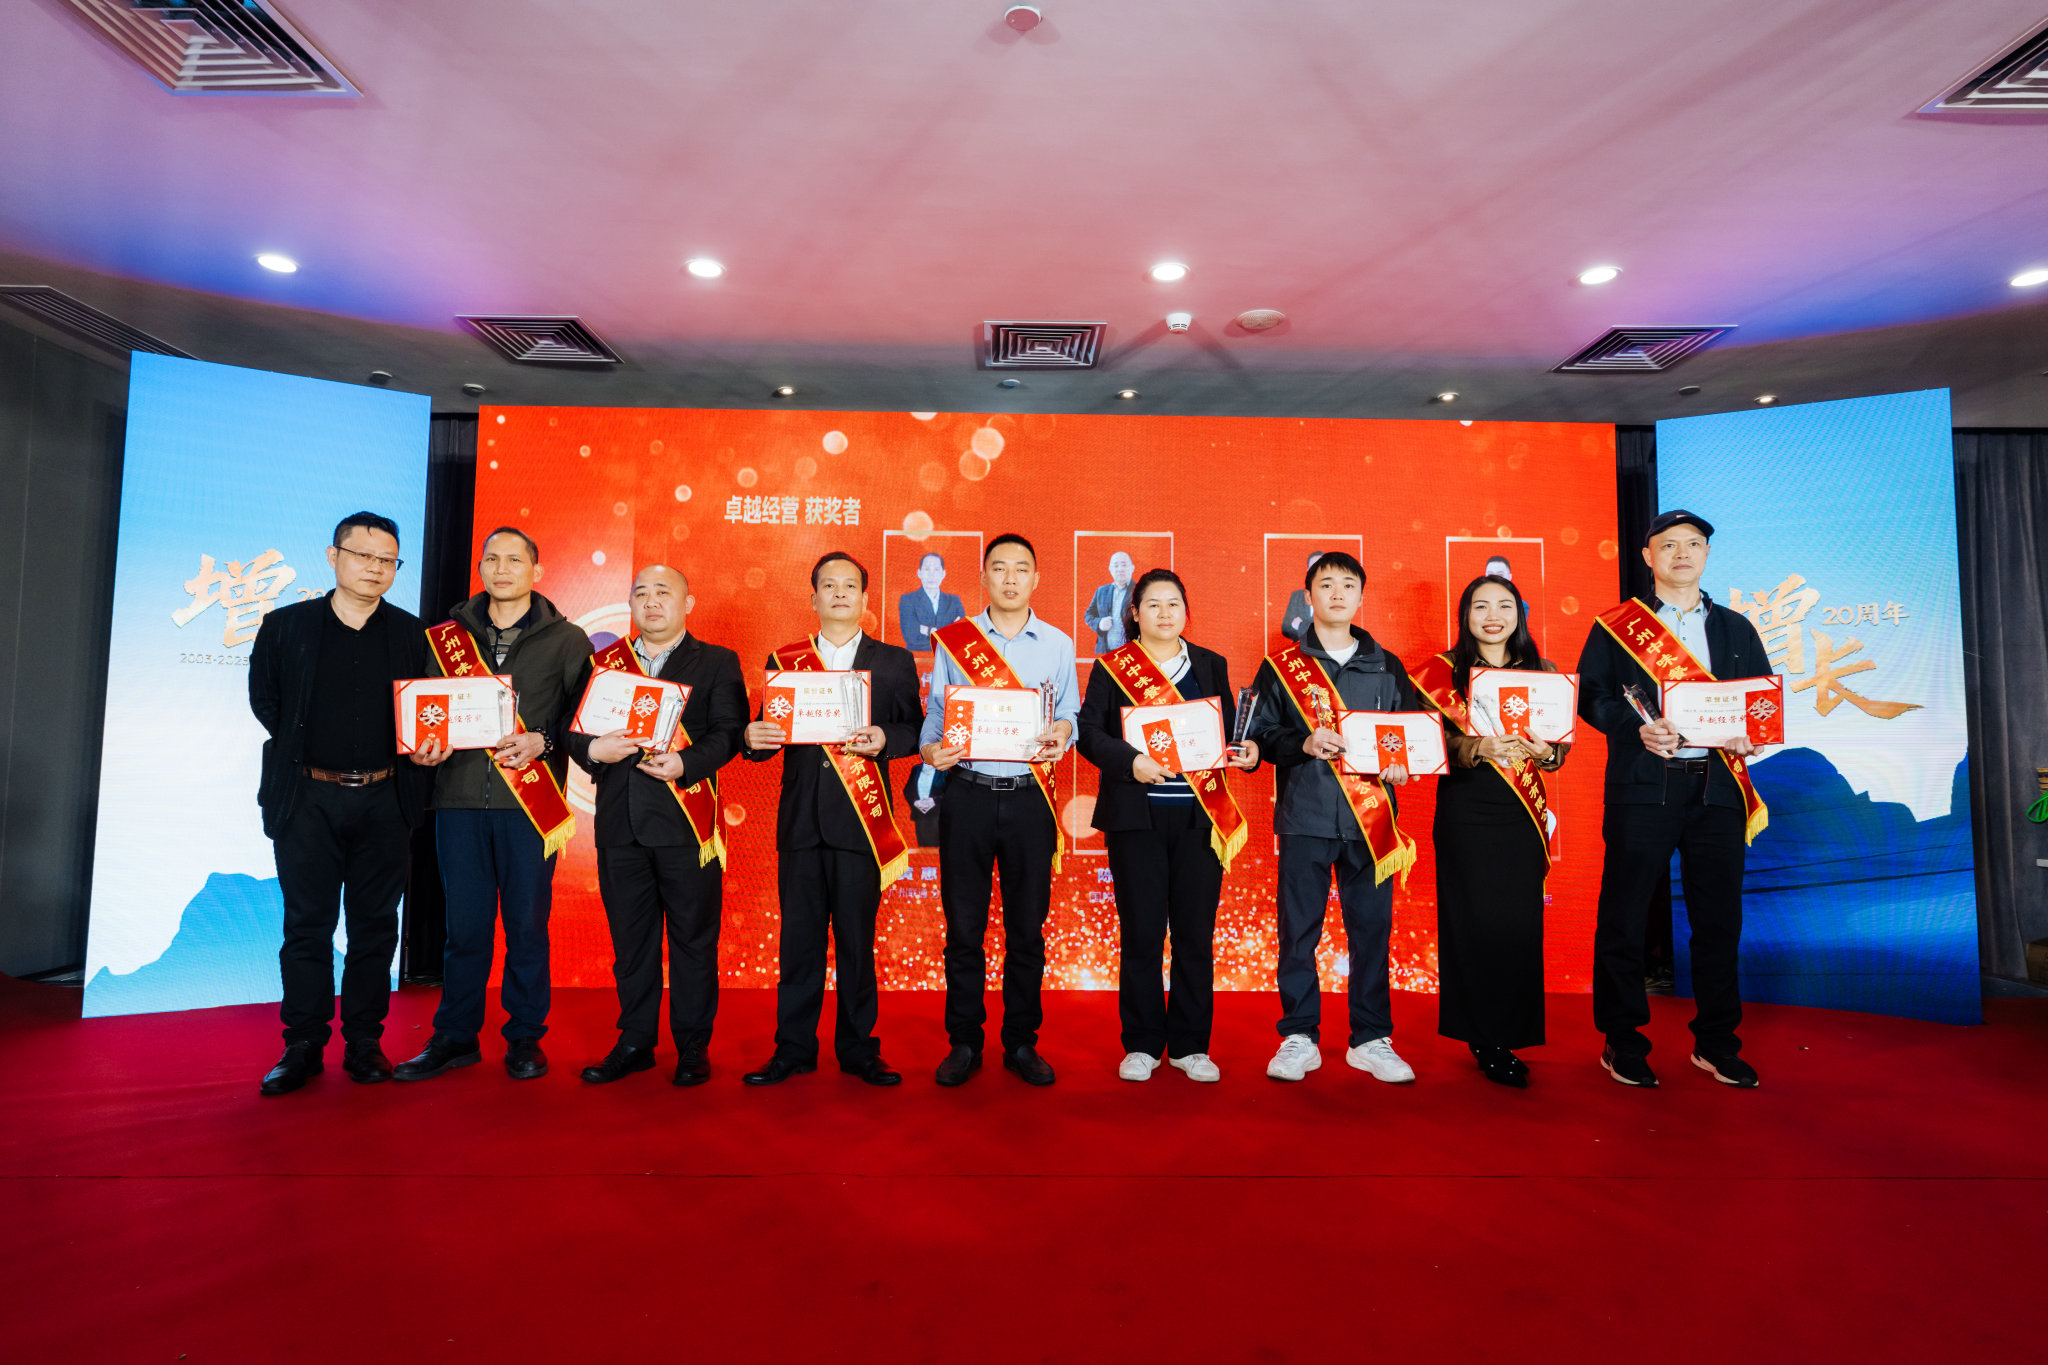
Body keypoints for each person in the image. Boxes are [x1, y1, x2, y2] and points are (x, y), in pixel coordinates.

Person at [248, 512, 448, 1096]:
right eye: (363, 556)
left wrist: (429, 749)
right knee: (306, 926)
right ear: (333, 557)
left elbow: (428, 713)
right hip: (306, 797)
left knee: (375, 928)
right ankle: (303, 1045)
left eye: (387, 560)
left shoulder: (413, 635)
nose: (375, 568)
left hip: (386, 798)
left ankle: (364, 1041)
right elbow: (266, 701)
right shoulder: (285, 626)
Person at [1577, 510, 1772, 1090]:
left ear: (1707, 554)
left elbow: (1760, 703)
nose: (1682, 553)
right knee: (1625, 915)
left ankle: (1716, 1042)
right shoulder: (1617, 626)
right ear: (1648, 556)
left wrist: (1751, 734)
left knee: (1718, 920)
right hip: (1644, 786)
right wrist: (1634, 727)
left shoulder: (1736, 628)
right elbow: (1591, 698)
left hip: (1718, 787)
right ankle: (1623, 1041)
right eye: (1668, 545)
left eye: (1693, 543)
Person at [395, 527, 593, 1083]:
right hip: (457, 801)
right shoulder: (444, 638)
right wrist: (423, 749)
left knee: (527, 928)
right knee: (465, 929)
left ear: (536, 570)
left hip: (529, 807)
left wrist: (543, 740)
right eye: (491, 559)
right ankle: (455, 1036)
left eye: (514, 560)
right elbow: (425, 710)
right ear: (480, 568)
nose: (501, 569)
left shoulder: (568, 639)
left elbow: (582, 720)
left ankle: (525, 1037)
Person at [739, 552, 922, 1087]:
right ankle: (793, 1048)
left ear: (865, 598)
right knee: (798, 942)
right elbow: (765, 734)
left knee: (856, 942)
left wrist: (886, 738)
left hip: (862, 824)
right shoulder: (786, 659)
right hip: (800, 822)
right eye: (829, 585)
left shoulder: (893, 662)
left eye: (849, 586)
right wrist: (752, 739)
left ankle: (859, 1050)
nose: (839, 593)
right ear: (813, 597)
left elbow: (915, 728)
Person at [1075, 568, 1257, 1083]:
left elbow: (1227, 734)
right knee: (1143, 933)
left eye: (1173, 603)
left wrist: (1245, 751)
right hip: (1138, 820)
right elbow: (1088, 733)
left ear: (1185, 611)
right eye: (1152, 604)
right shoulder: (1113, 667)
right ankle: (1141, 1044)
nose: (1164, 613)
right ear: (1134, 613)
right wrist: (1130, 761)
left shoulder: (1210, 664)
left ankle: (1191, 1045)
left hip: (1200, 820)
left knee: (1195, 934)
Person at [567, 564, 746, 1086]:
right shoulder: (602, 664)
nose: (651, 601)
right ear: (630, 603)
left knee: (693, 942)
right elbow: (572, 730)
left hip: (685, 824)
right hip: (619, 825)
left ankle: (692, 1046)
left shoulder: (716, 661)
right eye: (641, 592)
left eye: (663, 592)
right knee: (632, 943)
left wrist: (686, 763)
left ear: (687, 603)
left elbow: (729, 732)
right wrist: (592, 750)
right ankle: (635, 1041)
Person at [1247, 550, 1420, 1085]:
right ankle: (1299, 1035)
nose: (1337, 593)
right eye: (1326, 584)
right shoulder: (1282, 667)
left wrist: (1402, 764)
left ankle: (1371, 1038)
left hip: (1372, 823)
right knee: (1298, 933)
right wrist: (1302, 742)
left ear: (1361, 596)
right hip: (1306, 816)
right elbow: (1260, 736)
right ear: (1309, 596)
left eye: (1348, 584)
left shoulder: (1387, 665)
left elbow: (1411, 733)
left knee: (1371, 933)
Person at [919, 533, 1080, 1087]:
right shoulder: (955, 641)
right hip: (966, 794)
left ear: (1036, 578)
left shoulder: (1058, 644)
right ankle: (964, 1041)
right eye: (999, 568)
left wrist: (1063, 731)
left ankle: (1021, 1042)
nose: (1010, 578)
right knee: (963, 928)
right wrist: (929, 751)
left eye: (1021, 569)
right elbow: (937, 716)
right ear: (983, 576)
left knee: (1026, 930)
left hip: (1029, 798)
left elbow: (1070, 714)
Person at [1411, 574, 1568, 1088]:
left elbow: (1558, 750)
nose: (1493, 616)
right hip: (1466, 809)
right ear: (1465, 615)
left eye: (1504, 605)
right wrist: (1478, 747)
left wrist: (1547, 752)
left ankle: (1511, 1030)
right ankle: (1483, 1036)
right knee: (1471, 922)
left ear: (1519, 614)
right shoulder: (1441, 674)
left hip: (1521, 814)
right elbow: (1427, 743)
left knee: (1517, 924)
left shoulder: (1543, 672)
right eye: (1481, 606)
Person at [898, 550, 965, 651]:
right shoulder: (908, 600)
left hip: (949, 659)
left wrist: (925, 630)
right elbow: (911, 638)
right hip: (919, 657)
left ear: (943, 574)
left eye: (936, 569)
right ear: (919, 573)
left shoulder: (954, 601)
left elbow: (962, 636)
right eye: (927, 569)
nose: (931, 575)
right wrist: (947, 636)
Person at [1085, 551, 1136, 653]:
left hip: (1131, 652)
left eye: (1124, 565)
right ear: (1110, 569)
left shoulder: (1141, 591)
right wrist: (1099, 623)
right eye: (1116, 566)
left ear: (1132, 568)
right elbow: (1088, 615)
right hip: (1104, 651)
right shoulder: (1101, 591)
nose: (1120, 569)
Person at [1279, 550, 1323, 642]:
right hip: (1300, 649)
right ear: (1307, 571)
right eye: (1313, 567)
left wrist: (1300, 625)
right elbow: (1285, 628)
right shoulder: (1296, 596)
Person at [902, 763, 946, 847]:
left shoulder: (944, 770)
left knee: (937, 847)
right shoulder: (916, 769)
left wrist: (934, 801)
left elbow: (949, 792)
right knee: (923, 846)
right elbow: (907, 790)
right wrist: (915, 802)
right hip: (920, 815)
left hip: (937, 815)